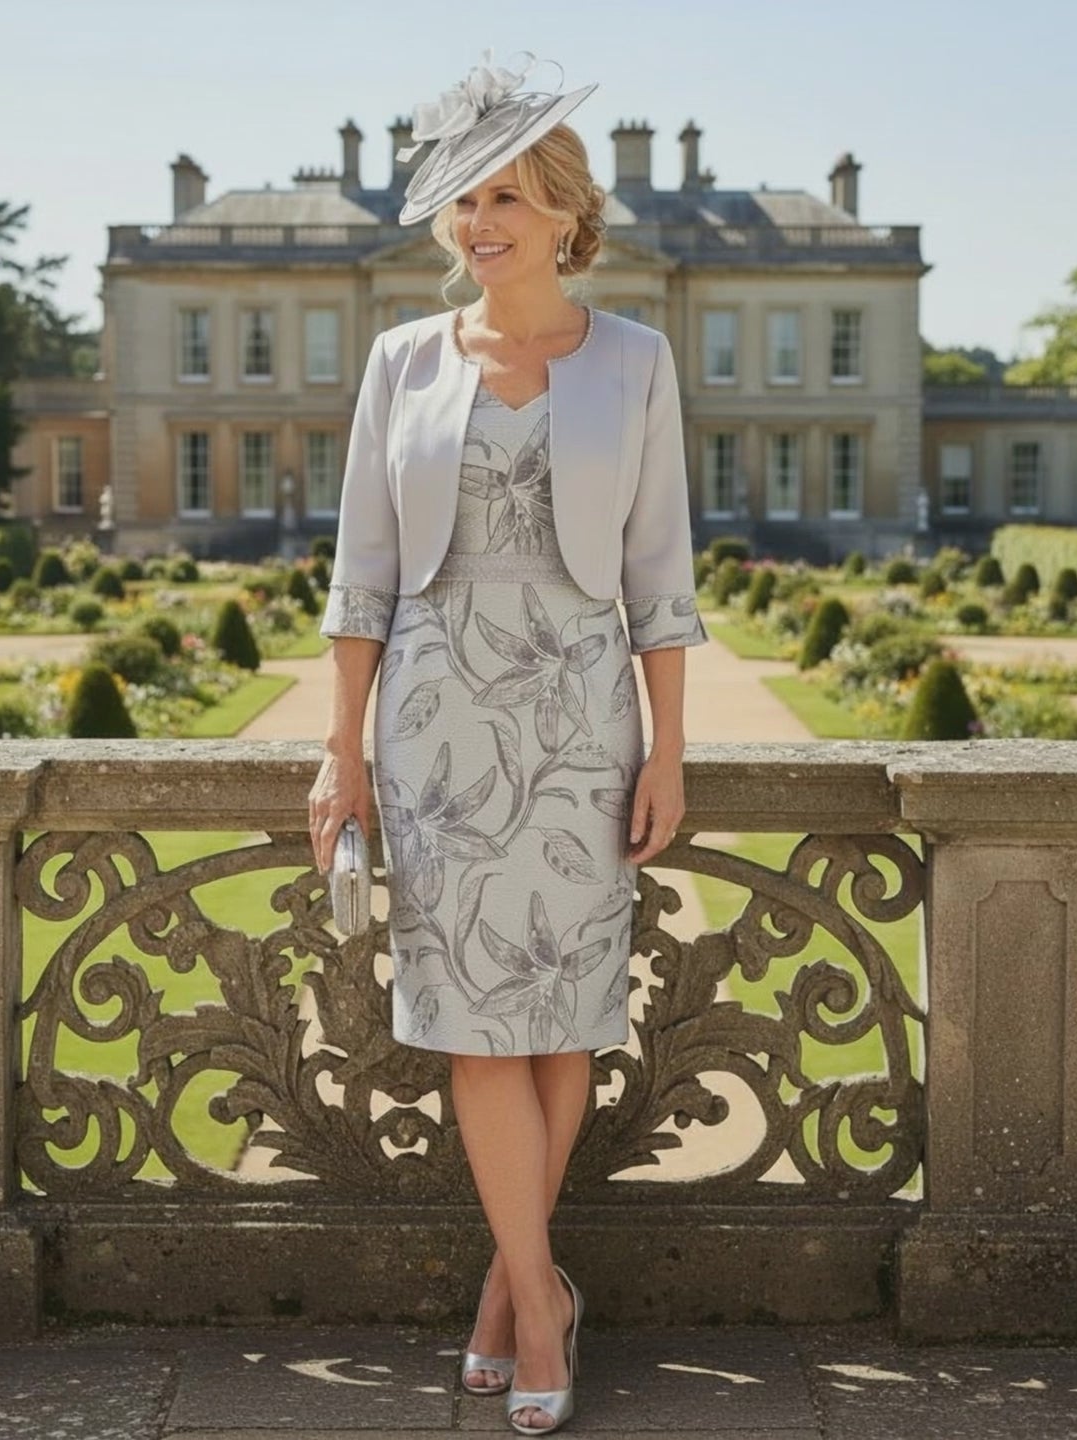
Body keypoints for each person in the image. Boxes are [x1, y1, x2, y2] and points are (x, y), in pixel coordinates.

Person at [307, 49, 708, 1435]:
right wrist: (339, 754)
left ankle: (505, 1293)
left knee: (563, 1016)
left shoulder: (637, 361)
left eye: (509, 200)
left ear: (562, 213)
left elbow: (661, 576)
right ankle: (543, 1303)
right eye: (465, 204)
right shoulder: (401, 360)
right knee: (477, 1023)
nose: (483, 227)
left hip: (584, 715)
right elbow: (362, 572)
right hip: (439, 716)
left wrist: (668, 751)